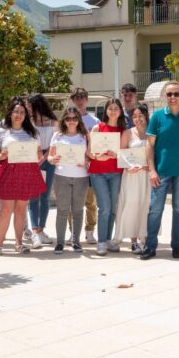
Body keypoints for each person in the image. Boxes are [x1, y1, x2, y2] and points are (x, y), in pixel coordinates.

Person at [141, 81, 179, 260]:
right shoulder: (157, 117)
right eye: (169, 94)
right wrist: (152, 170)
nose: (172, 97)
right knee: (155, 209)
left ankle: (176, 245)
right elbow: (149, 147)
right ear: (165, 97)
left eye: (176, 94)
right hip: (161, 171)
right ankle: (150, 246)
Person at [0, 97, 45, 255]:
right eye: (16, 111)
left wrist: (37, 159)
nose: (19, 115)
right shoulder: (1, 130)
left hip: (26, 173)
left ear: (26, 115)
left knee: (21, 210)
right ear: (10, 113)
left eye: (22, 112)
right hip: (7, 172)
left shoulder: (32, 132)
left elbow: (39, 154)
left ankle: (19, 244)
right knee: (6, 210)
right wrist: (1, 155)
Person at [88, 98, 129, 255]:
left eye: (116, 108)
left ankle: (108, 239)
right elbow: (89, 152)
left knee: (113, 208)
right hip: (98, 172)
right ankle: (101, 242)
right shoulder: (97, 128)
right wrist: (98, 157)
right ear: (106, 111)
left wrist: (116, 154)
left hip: (116, 173)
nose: (113, 111)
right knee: (104, 207)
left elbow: (125, 154)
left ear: (120, 111)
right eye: (110, 108)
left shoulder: (123, 131)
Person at [48, 107, 89, 254]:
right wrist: (53, 159)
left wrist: (85, 161)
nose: (71, 121)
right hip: (62, 176)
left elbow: (90, 156)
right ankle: (60, 243)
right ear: (64, 120)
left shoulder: (84, 136)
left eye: (74, 118)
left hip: (81, 177)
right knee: (62, 210)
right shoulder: (57, 136)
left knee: (78, 211)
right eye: (68, 118)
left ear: (79, 120)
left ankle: (76, 242)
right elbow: (50, 157)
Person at [113, 104, 150, 254]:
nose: (137, 119)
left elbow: (158, 153)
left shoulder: (153, 132)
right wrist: (127, 167)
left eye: (140, 115)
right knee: (132, 205)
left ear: (146, 116)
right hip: (132, 175)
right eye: (134, 116)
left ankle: (146, 238)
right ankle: (133, 241)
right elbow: (120, 154)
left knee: (147, 206)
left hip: (148, 175)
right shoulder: (128, 133)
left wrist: (151, 166)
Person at [27, 94, 58, 249]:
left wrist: (45, 157)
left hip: (49, 161)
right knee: (33, 196)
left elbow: (56, 142)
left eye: (30, 105)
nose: (28, 109)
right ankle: (34, 231)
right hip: (33, 161)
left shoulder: (53, 122)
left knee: (45, 196)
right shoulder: (29, 123)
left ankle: (41, 230)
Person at [71, 87, 99, 244]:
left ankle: (90, 231)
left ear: (87, 99)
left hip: (89, 169)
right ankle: (73, 233)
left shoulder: (95, 121)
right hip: (72, 169)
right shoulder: (67, 120)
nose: (79, 100)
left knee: (90, 203)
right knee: (72, 204)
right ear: (72, 100)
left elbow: (99, 145)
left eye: (82, 97)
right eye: (76, 98)